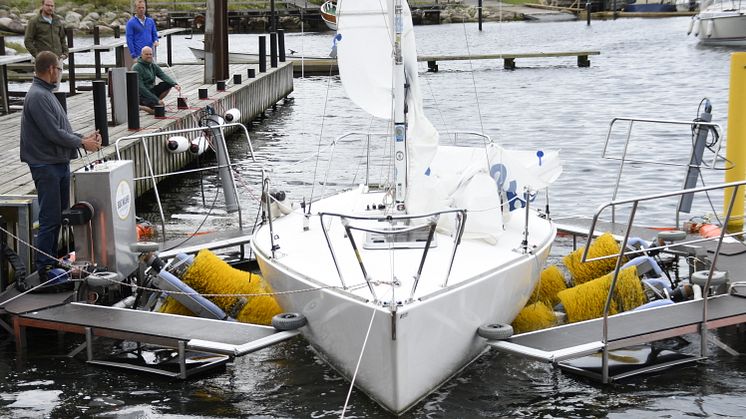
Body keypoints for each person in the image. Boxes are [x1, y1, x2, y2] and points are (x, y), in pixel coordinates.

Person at [19, 51, 102, 277]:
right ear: (51, 69)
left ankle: (53, 259)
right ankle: (45, 268)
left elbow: (62, 131)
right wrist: (82, 144)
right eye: (60, 69)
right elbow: (52, 133)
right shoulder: (37, 96)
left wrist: (83, 138)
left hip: (58, 162)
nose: (60, 73)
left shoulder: (47, 94)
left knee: (60, 215)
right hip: (46, 165)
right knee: (50, 217)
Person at [24, 0, 68, 88]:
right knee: (43, 86)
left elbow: (62, 38)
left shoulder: (57, 20)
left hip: (58, 60)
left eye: (52, 6)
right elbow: (27, 41)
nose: (50, 8)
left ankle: (53, 102)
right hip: (43, 62)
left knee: (56, 86)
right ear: (42, 5)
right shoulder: (34, 21)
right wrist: (38, 56)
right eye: (47, 5)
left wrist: (65, 53)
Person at [132, 46, 180, 113]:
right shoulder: (137, 67)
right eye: (146, 54)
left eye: (150, 54)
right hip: (141, 95)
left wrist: (175, 84)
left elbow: (163, 75)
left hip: (151, 91)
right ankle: (141, 107)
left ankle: (156, 102)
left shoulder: (153, 65)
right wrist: (156, 99)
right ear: (141, 55)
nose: (149, 56)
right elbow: (141, 88)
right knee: (157, 111)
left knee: (168, 84)